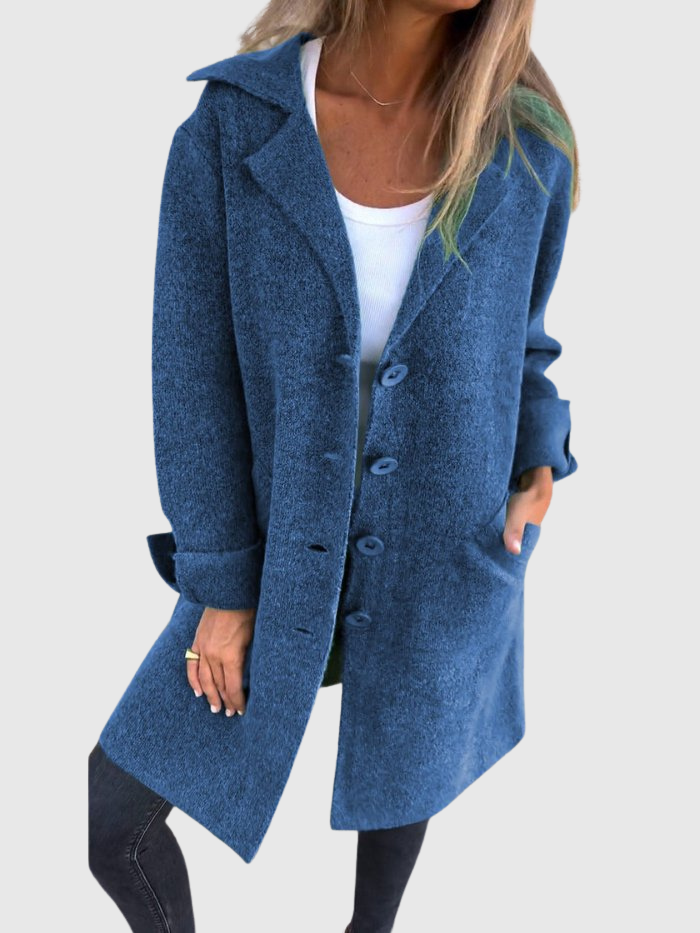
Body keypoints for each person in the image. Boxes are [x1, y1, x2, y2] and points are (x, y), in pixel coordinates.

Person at [89, 2, 580, 931]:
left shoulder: (524, 148)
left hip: (440, 560)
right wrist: (225, 587)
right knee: (115, 822)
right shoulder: (236, 124)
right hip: (276, 553)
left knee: (381, 878)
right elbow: (191, 375)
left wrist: (539, 463)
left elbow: (524, 343)